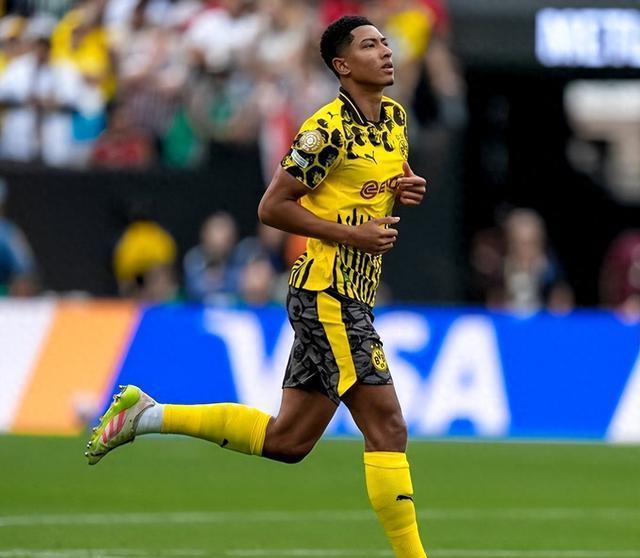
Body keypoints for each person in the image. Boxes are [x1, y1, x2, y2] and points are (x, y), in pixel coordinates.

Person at [85, 15, 428, 558]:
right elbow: (272, 207)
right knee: (388, 425)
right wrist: (350, 234)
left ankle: (145, 415)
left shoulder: (394, 119)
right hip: (329, 294)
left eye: (385, 42)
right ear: (342, 65)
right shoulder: (325, 131)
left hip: (351, 296)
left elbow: (376, 178)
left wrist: (401, 187)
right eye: (370, 45)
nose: (386, 51)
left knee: (288, 441)